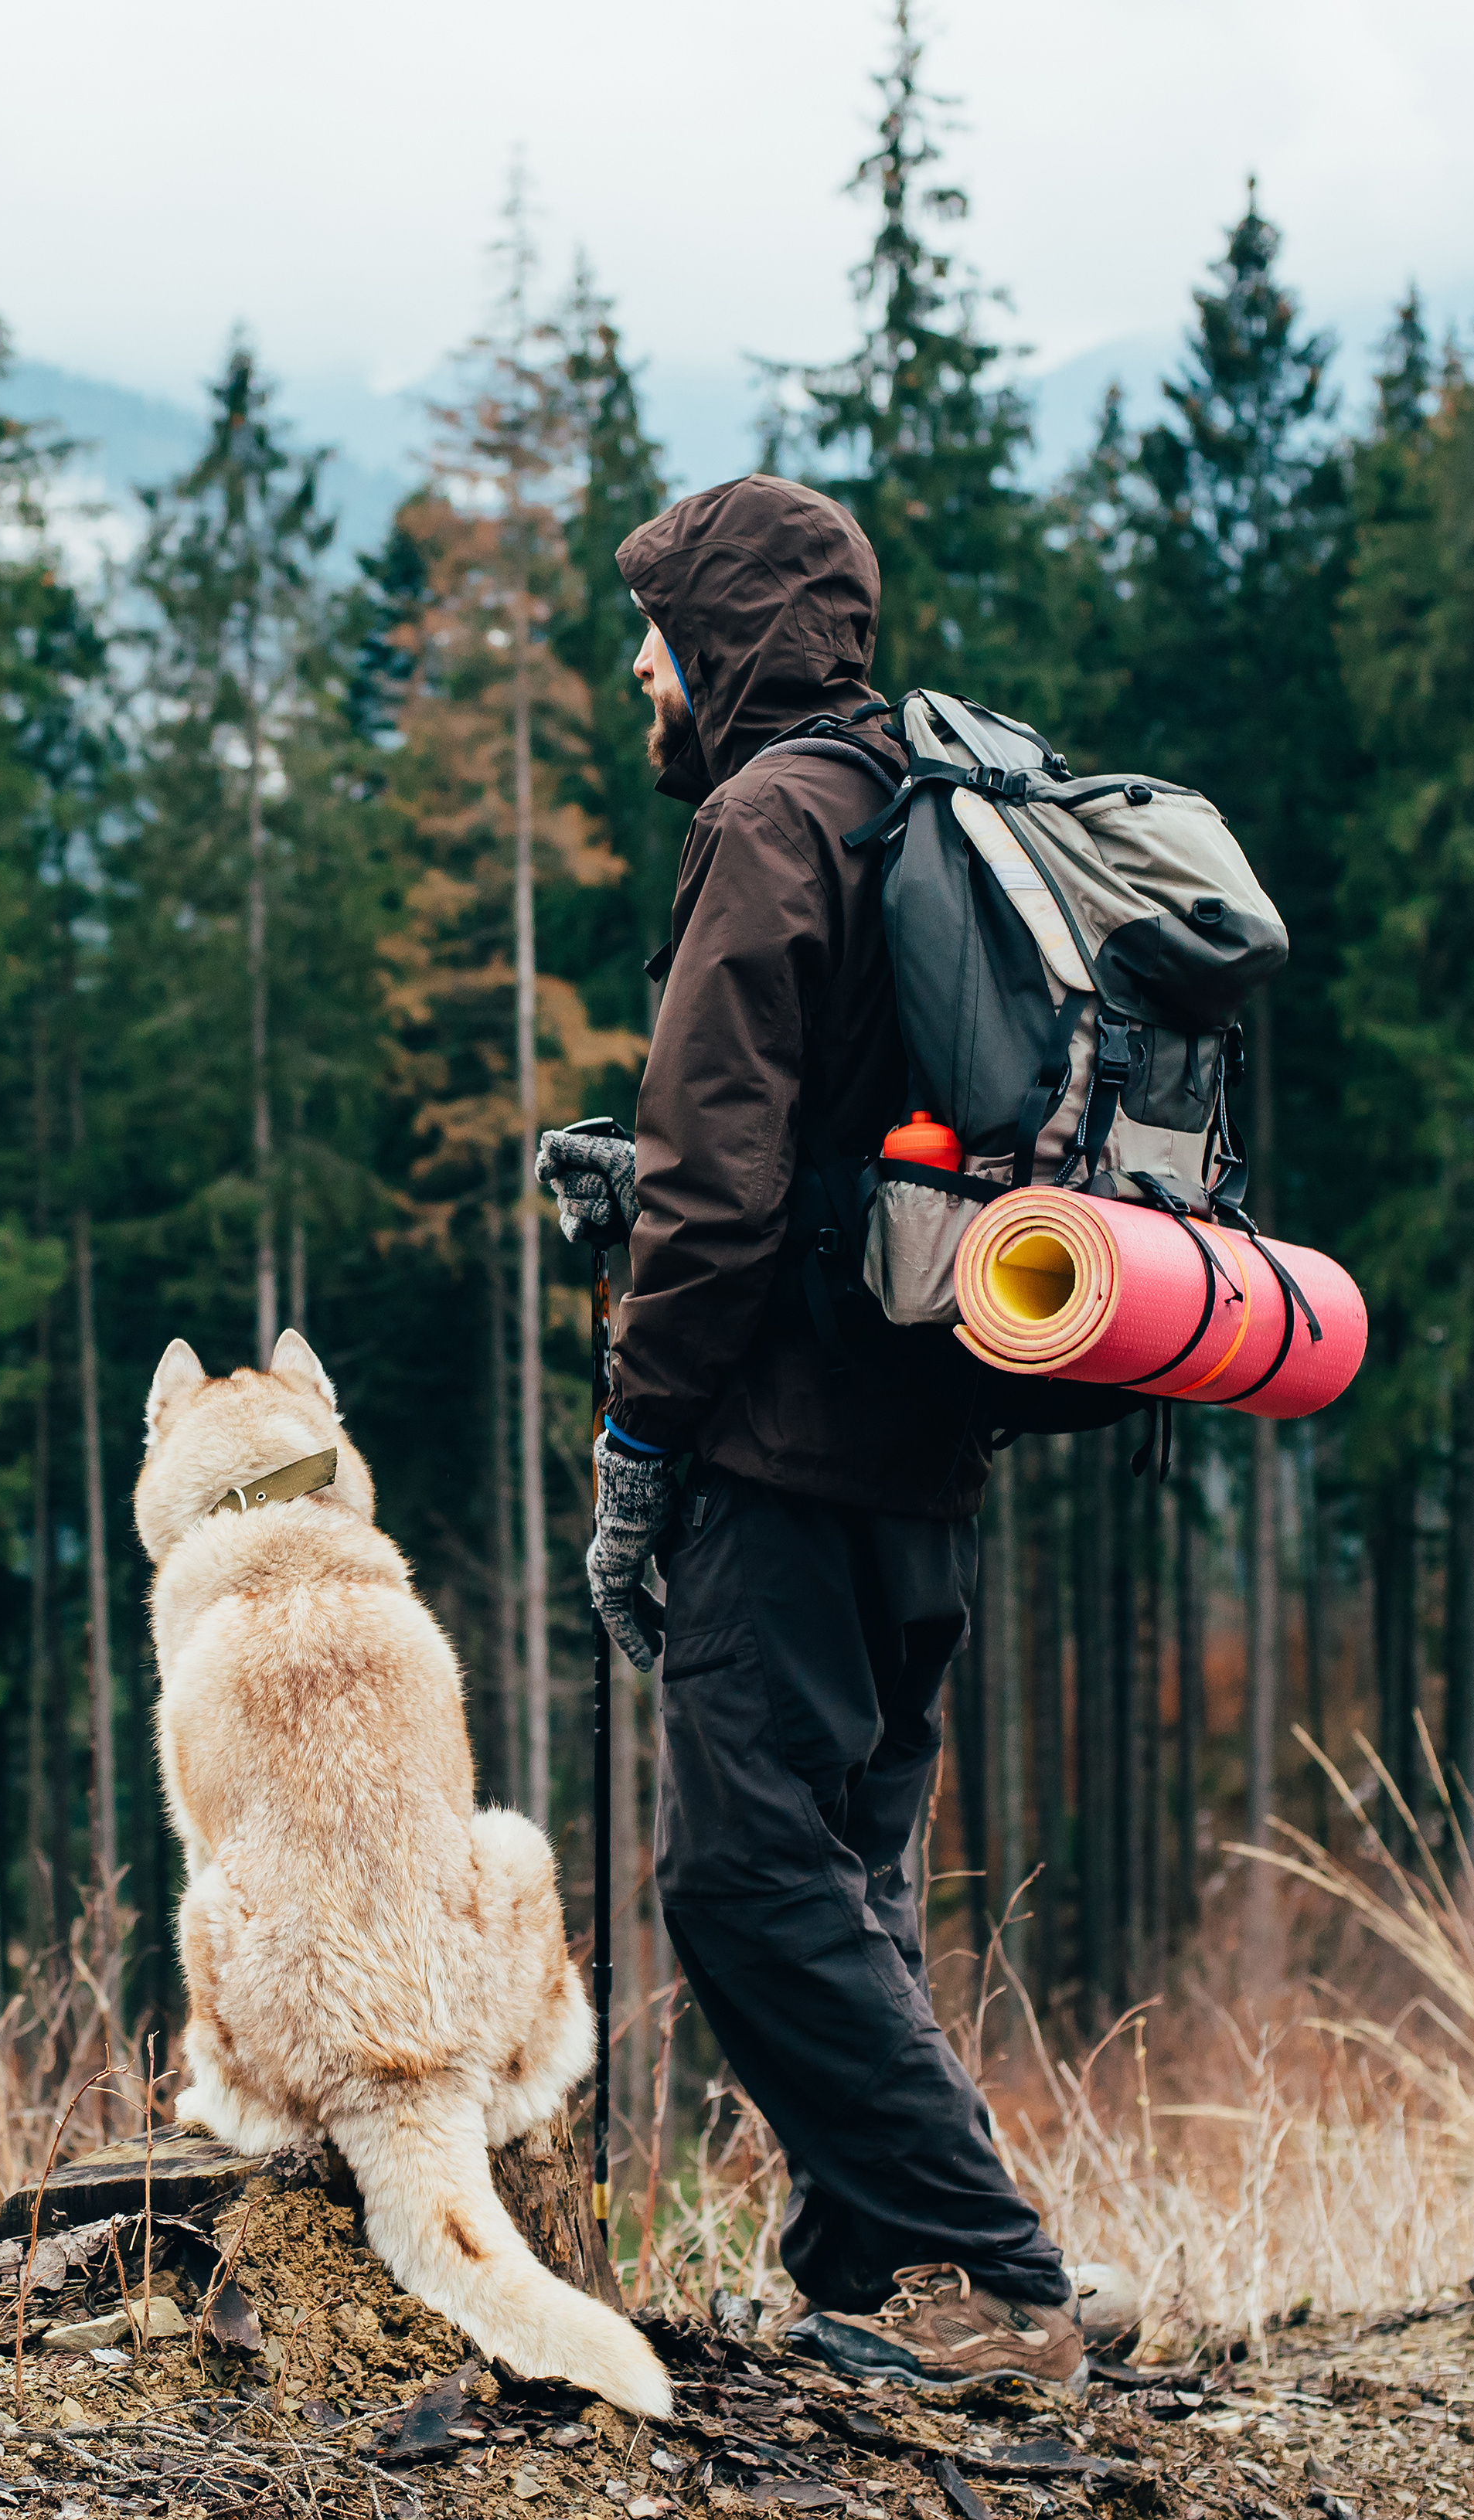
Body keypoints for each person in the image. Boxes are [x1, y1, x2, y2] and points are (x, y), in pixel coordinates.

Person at [535, 474, 1084, 2392]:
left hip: (775, 1450)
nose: (637, 671)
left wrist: (638, 1446)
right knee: (841, 1868)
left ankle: (985, 2273)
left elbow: (720, 1187)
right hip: (927, 1441)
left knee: (740, 1879)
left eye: (657, 635)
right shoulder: (911, 796)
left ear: (726, 642)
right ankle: (869, 2287)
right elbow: (830, 1139)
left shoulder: (769, 819)